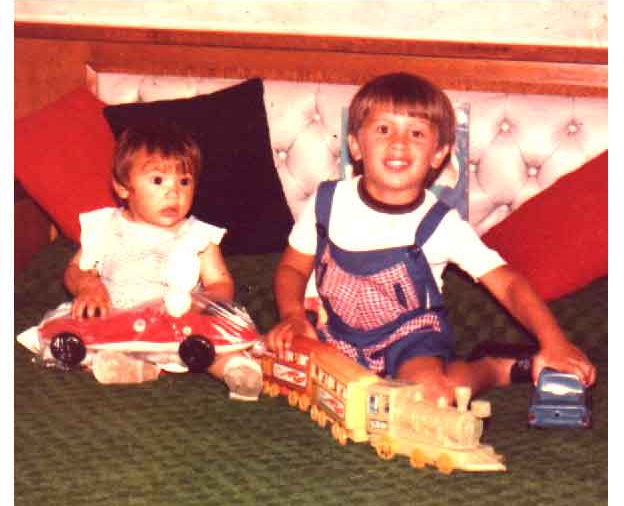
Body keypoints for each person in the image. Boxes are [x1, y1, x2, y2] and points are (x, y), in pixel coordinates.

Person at [266, 72, 596, 405]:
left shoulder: (441, 225)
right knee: (277, 363)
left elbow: (508, 283)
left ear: (438, 154)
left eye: (416, 133)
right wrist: (293, 316)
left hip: (411, 341)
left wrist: (554, 341)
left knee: (431, 396)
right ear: (355, 145)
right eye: (383, 129)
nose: (399, 143)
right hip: (335, 332)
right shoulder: (327, 202)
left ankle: (493, 368)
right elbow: (293, 268)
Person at [63, 121, 262, 400]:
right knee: (86, 341)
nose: (174, 192)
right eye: (158, 181)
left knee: (211, 345)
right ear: (123, 187)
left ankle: (236, 369)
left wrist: (201, 303)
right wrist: (88, 286)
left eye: (184, 181)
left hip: (178, 324)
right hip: (121, 322)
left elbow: (220, 282)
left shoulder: (197, 236)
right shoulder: (106, 227)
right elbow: (74, 269)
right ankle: (138, 368)